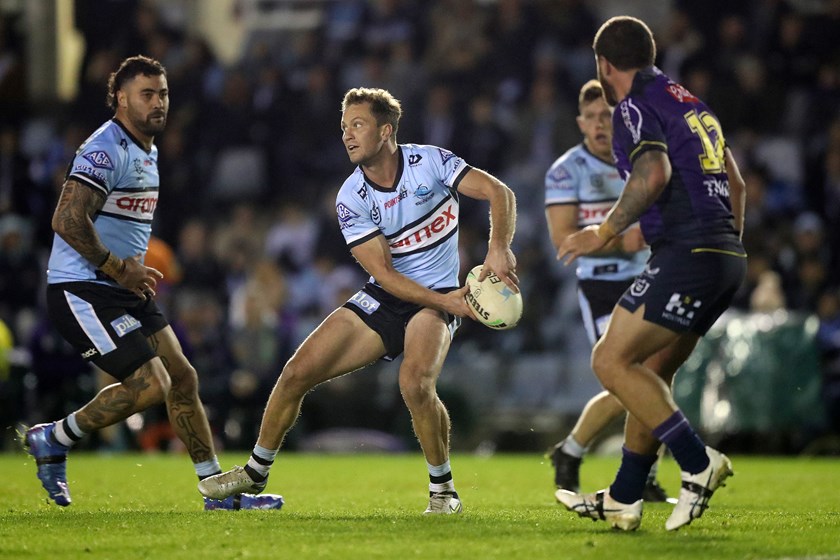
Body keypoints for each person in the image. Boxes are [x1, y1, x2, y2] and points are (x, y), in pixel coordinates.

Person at [198, 87, 519, 514]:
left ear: (386, 131)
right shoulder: (351, 197)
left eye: (358, 125)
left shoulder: (431, 163)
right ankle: (256, 471)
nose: (347, 135)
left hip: (439, 297)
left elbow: (501, 193)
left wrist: (498, 248)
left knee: (415, 383)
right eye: (344, 126)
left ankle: (443, 492)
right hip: (388, 297)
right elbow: (384, 275)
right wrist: (450, 304)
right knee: (296, 372)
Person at [20, 55, 283, 511]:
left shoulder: (148, 148)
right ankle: (54, 437)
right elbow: (65, 219)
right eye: (147, 94)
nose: (158, 102)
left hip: (123, 289)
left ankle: (215, 491)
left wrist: (129, 271)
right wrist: (120, 267)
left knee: (183, 377)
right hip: (82, 289)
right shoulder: (106, 148)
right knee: (150, 385)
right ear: (120, 99)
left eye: (162, 93)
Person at [554, 16, 747, 531]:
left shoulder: (636, 106)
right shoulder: (690, 102)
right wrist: (724, 246)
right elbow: (739, 184)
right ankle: (624, 495)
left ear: (603, 64)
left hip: (687, 250)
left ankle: (697, 462)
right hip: (725, 255)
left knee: (610, 360)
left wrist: (603, 231)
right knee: (652, 371)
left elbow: (653, 173)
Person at [545, 79, 671, 503]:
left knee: (655, 375)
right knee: (632, 376)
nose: (601, 124)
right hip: (602, 283)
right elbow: (564, 239)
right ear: (581, 123)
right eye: (593, 117)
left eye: (608, 116)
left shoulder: (643, 161)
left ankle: (576, 452)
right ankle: (624, 468)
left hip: (650, 276)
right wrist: (622, 239)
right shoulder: (566, 171)